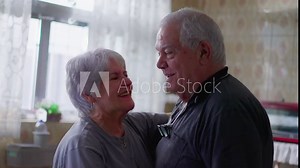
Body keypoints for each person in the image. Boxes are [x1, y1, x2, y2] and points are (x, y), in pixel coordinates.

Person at [155, 7, 274, 168]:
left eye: (168, 52)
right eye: (158, 53)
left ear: (203, 52)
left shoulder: (228, 110)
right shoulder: (192, 97)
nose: (159, 64)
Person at [53, 48, 168, 168]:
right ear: (89, 95)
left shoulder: (137, 123)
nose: (128, 82)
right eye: (114, 78)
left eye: (125, 74)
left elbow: (182, 119)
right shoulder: (82, 146)